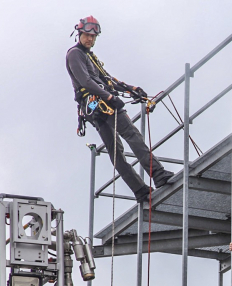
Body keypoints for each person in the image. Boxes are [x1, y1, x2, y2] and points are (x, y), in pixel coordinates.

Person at [65, 16, 174, 203]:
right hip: (99, 103)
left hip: (93, 106)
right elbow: (86, 81)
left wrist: (130, 89)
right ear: (79, 34)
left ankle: (140, 190)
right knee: (132, 135)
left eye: (93, 36)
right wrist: (109, 97)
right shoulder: (75, 54)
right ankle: (158, 175)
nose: (90, 39)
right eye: (87, 35)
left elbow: (108, 79)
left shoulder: (89, 56)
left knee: (116, 150)